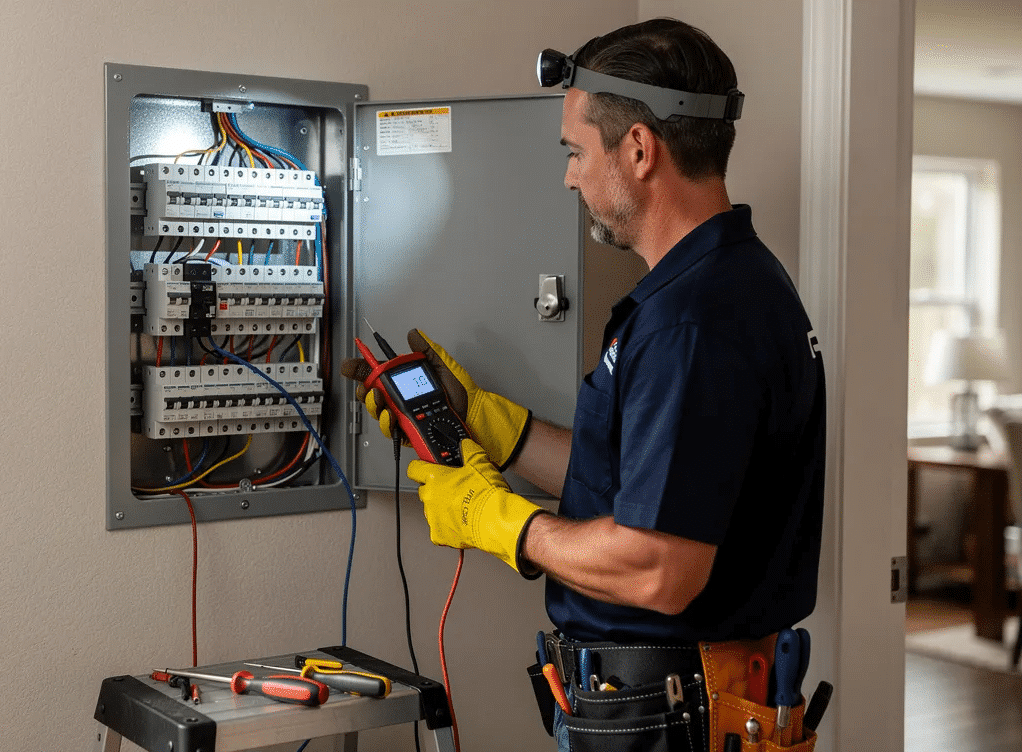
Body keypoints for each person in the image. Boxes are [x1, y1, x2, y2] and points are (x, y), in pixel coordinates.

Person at [342, 18, 825, 752]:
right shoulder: (733, 284)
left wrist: (498, 521)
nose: (569, 175)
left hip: (670, 717)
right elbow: (647, 486)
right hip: (672, 703)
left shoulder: (689, 323)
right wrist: (490, 425)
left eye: (576, 150)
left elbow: (660, 570)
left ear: (639, 150)